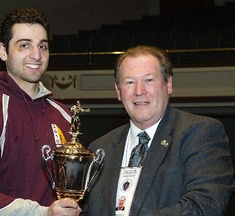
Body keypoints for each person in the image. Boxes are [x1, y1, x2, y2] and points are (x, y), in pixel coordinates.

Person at [0, 8, 81, 216]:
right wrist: (43, 213)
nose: (36, 55)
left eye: (43, 46)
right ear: (3, 51)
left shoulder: (64, 115)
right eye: (24, 45)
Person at [81, 45, 234, 215]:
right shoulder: (99, 149)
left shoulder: (200, 133)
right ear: (118, 91)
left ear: (168, 84)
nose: (139, 91)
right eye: (129, 82)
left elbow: (206, 204)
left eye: (149, 80)